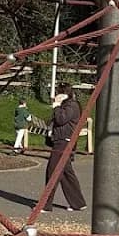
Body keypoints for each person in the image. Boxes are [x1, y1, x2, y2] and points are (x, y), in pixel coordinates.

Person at [42, 83, 86, 211]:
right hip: (61, 140)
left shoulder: (71, 105)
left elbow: (61, 119)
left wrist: (56, 106)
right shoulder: (67, 106)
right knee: (66, 173)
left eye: (57, 93)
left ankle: (45, 204)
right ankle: (78, 203)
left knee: (53, 171)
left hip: (64, 141)